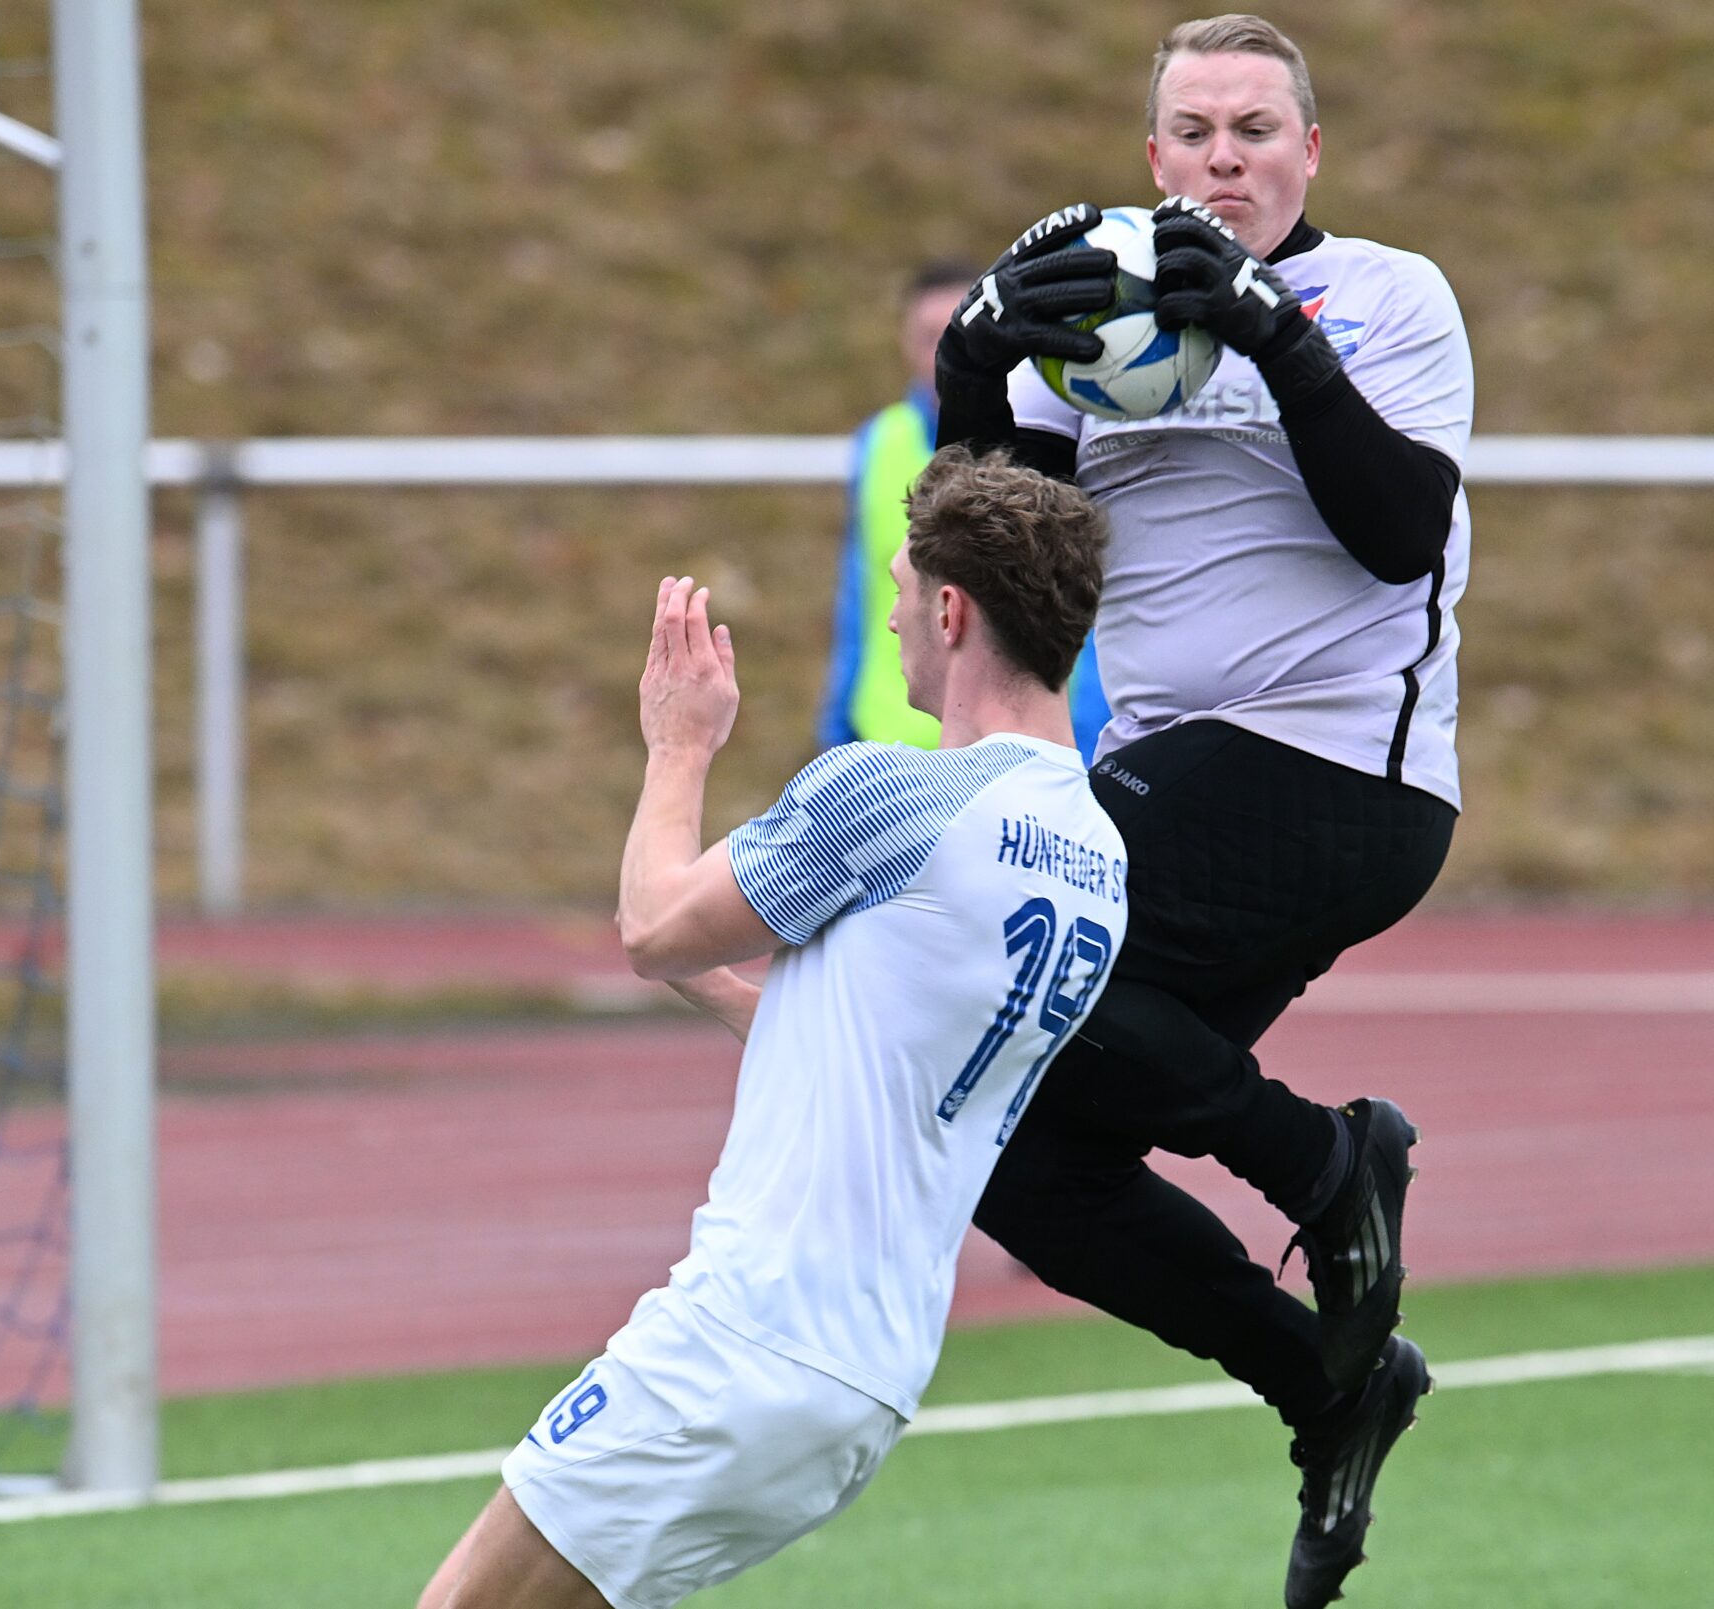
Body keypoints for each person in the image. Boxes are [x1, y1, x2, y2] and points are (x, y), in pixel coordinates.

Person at [930, 15, 1471, 1607]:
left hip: (1338, 767)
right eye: (1194, 132)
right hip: (1173, 772)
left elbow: (1401, 534)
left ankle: (1325, 1161)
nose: (1224, 158)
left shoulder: (1388, 295)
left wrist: (1275, 337)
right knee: (1027, 1163)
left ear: (1311, 152)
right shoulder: (1101, 321)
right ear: (1152, 158)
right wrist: (973, 365)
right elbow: (1004, 580)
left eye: (1255, 129)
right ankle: (1328, 1386)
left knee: (995, 942)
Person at [419, 447, 1127, 1609]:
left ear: (952, 612)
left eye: (901, 593)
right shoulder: (1098, 857)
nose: (890, 621)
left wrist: (678, 744)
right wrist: (724, 991)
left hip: (745, 1338)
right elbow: (890, 1061)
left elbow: (654, 922)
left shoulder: (892, 792)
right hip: (866, 1381)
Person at [819, 263, 1112, 756]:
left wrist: (1086, 730)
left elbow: (1080, 594)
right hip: (892, 748)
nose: (941, 354)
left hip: (1007, 749)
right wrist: (838, 724)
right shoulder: (880, 441)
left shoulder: (1045, 436)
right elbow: (858, 592)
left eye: (954, 334)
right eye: (927, 337)